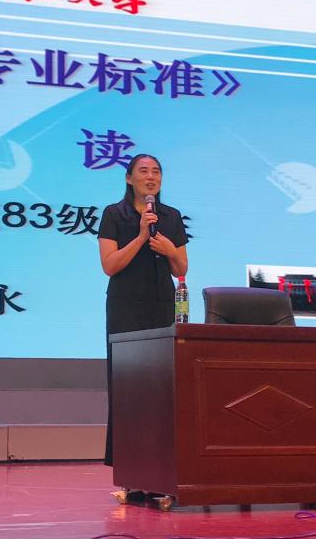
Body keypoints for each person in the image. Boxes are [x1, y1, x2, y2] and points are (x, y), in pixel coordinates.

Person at [97, 153, 189, 467]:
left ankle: (161, 468)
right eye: (144, 171)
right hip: (125, 306)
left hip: (161, 303)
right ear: (129, 178)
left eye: (156, 172)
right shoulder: (114, 214)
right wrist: (140, 237)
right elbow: (109, 266)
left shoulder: (171, 216)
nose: (151, 177)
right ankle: (127, 467)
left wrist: (170, 250)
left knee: (161, 386)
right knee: (127, 385)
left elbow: (181, 269)